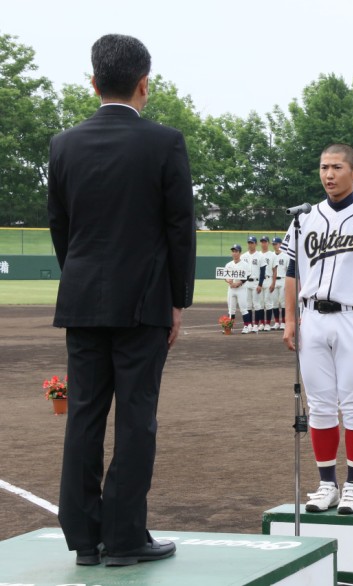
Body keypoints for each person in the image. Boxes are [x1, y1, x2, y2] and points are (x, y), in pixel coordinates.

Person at [47, 34, 194, 567]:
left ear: (93, 82)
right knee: (136, 417)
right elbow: (180, 228)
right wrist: (178, 300)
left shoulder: (63, 145)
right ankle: (126, 536)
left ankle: (85, 539)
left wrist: (83, 277)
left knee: (83, 414)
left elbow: (60, 226)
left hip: (83, 296)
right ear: (143, 85)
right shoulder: (164, 143)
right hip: (144, 302)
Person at [281, 143, 353, 515]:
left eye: (336, 167)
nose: (328, 174)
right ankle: (326, 483)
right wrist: (291, 319)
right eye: (323, 167)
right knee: (320, 407)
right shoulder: (303, 220)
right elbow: (292, 273)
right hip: (312, 318)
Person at [225, 244, 249, 332]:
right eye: (233, 251)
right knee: (231, 309)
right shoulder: (228, 265)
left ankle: (247, 326)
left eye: (236, 251)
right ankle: (229, 327)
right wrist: (229, 281)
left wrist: (238, 283)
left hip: (241, 289)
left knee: (243, 308)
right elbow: (225, 277)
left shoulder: (245, 264)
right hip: (231, 289)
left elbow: (246, 277)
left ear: (240, 253)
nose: (234, 253)